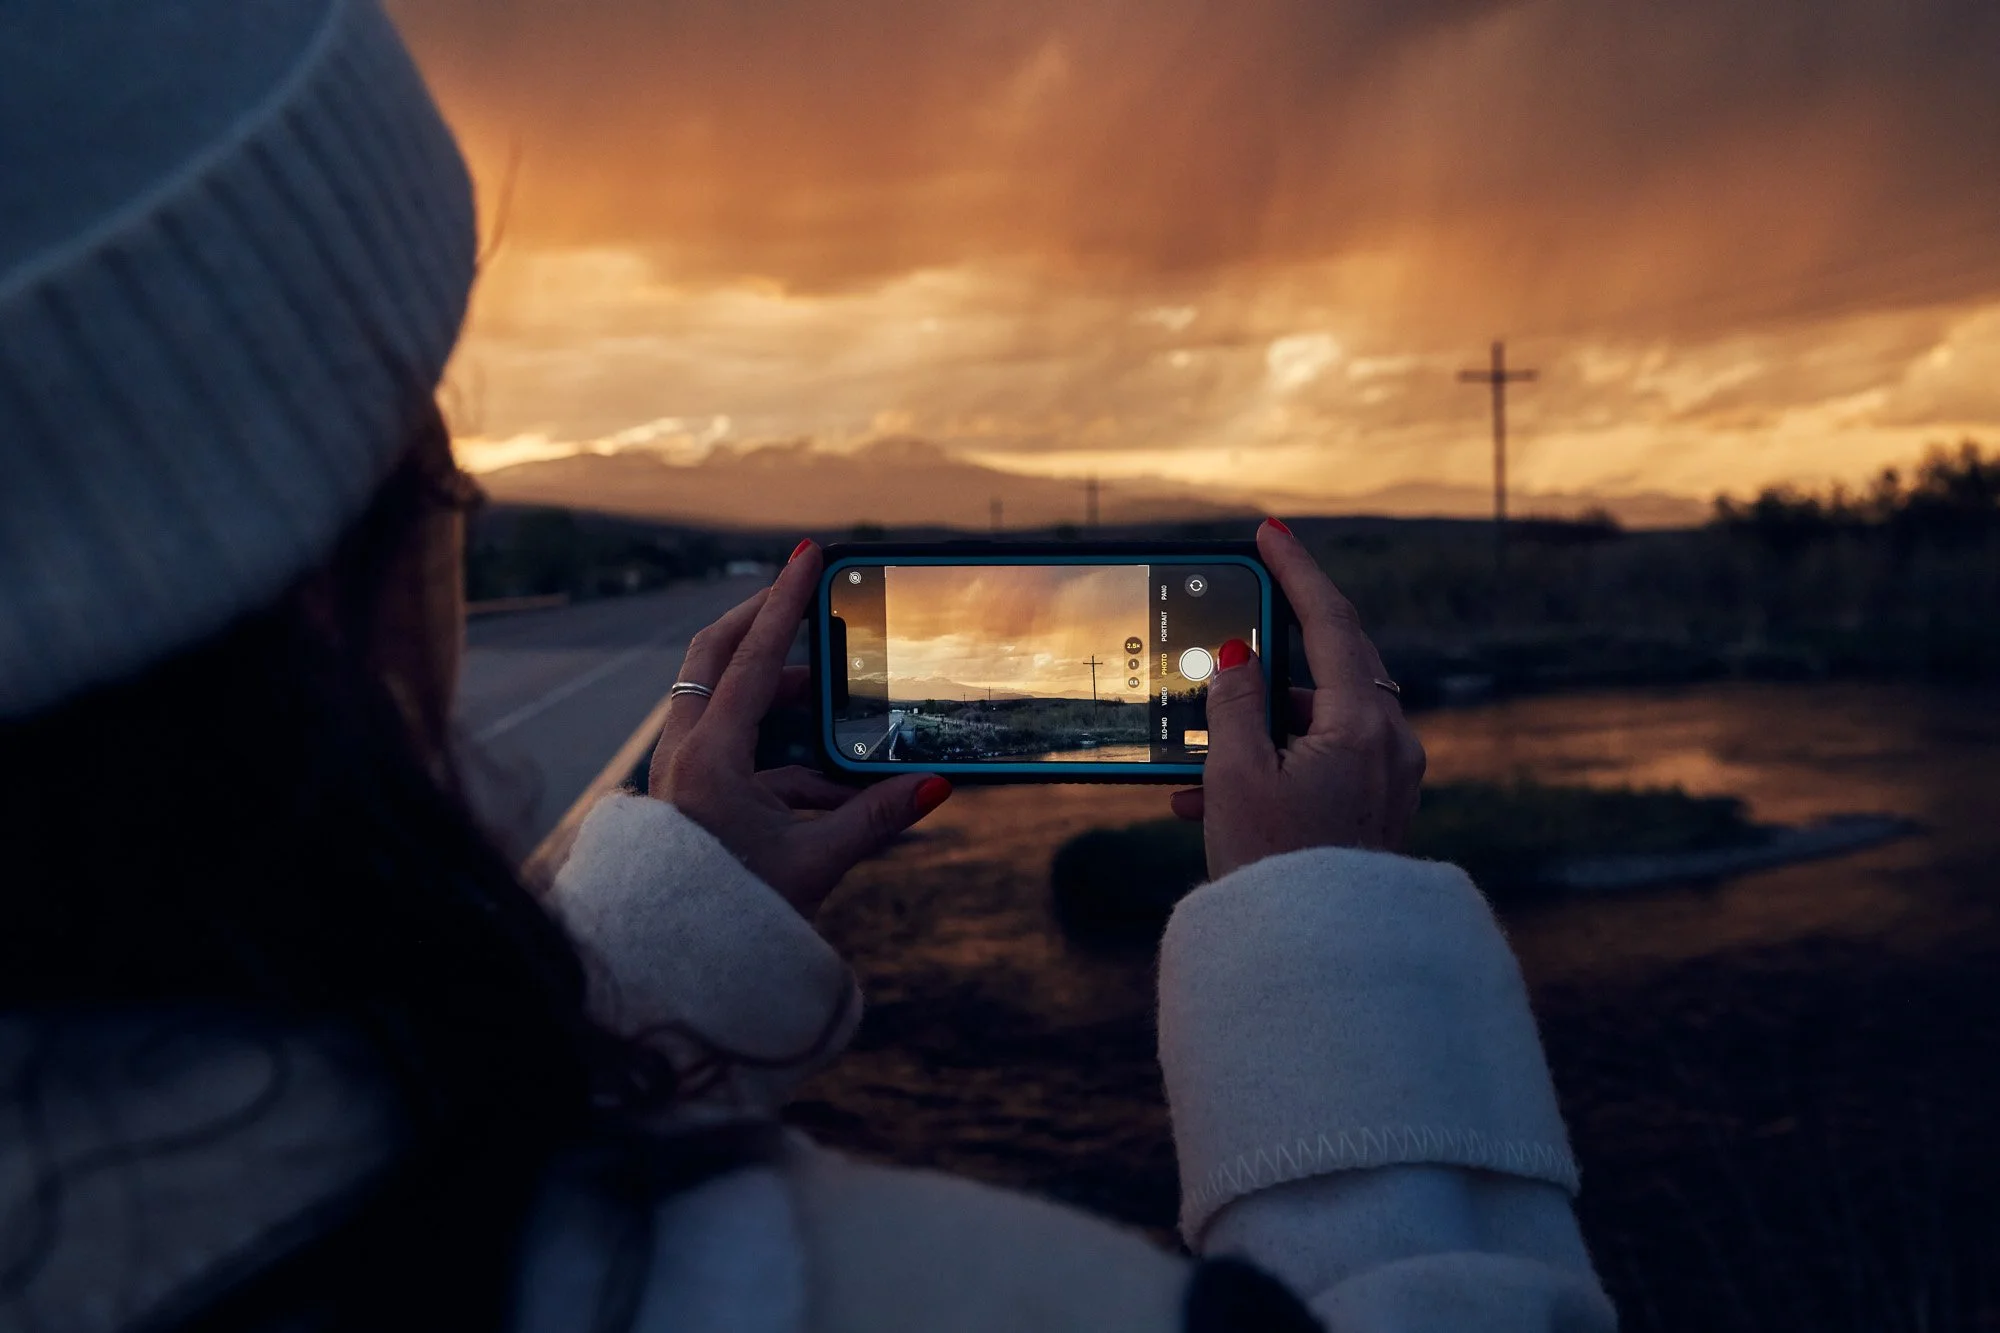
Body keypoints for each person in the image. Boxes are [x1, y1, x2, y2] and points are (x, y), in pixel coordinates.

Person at [0, 1, 1616, 1329]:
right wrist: (1335, 938)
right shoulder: (944, 1305)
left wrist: (665, 934)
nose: (465, 516)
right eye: (438, 469)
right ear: (321, 585)